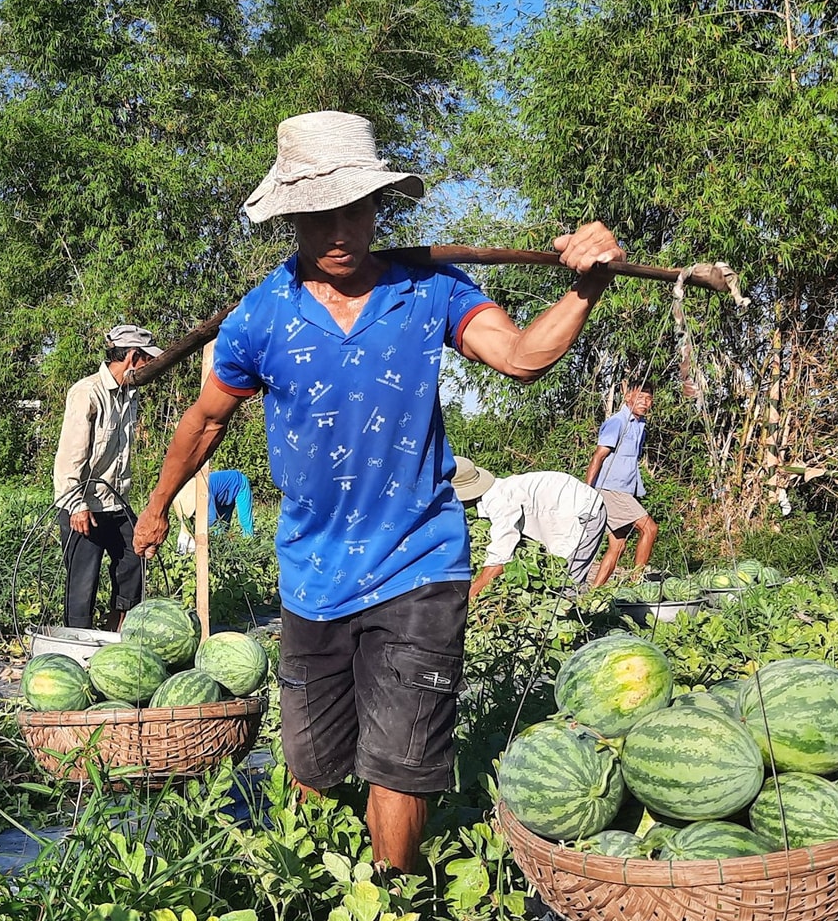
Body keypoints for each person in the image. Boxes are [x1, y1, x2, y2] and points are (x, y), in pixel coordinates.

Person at [132, 110, 623, 871]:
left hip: (419, 560)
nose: (337, 230)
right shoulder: (259, 317)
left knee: (400, 757)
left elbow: (522, 357)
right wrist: (157, 507)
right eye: (317, 214)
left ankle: (391, 916)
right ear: (289, 216)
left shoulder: (431, 290)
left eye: (352, 209)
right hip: (310, 574)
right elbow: (204, 422)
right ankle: (313, 894)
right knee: (313, 764)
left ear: (376, 208)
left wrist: (585, 290)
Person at [53, 323, 162, 631]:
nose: (149, 367)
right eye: (147, 360)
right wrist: (76, 505)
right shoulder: (87, 393)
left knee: (135, 556)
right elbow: (69, 457)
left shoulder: (129, 395)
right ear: (133, 356)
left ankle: (118, 629)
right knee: (82, 582)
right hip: (83, 504)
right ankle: (78, 643)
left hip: (115, 503)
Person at [452, 462, 608, 601]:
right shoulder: (496, 492)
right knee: (558, 582)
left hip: (586, 512)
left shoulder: (499, 502)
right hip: (566, 506)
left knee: (566, 584)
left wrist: (470, 596)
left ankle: (574, 625)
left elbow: (500, 559)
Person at [585, 378, 658, 587]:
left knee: (618, 546)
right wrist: (587, 491)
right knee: (649, 529)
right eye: (640, 397)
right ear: (628, 397)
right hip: (610, 490)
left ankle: (594, 592)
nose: (645, 402)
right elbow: (598, 456)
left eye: (649, 398)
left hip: (624, 490)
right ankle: (636, 582)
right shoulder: (617, 422)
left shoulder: (640, 425)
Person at [173, 468, 256, 554]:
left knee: (245, 522)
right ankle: (223, 552)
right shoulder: (193, 495)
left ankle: (250, 550)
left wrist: (197, 533)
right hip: (222, 495)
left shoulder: (205, 493)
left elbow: (212, 520)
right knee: (222, 529)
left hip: (239, 484)